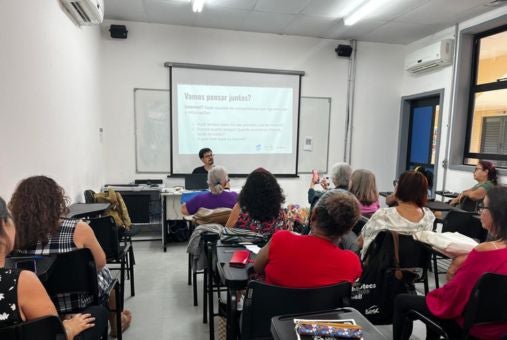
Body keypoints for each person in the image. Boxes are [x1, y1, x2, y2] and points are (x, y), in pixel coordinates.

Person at [9, 176, 131, 338]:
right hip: (81, 300)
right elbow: (100, 262)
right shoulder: (78, 229)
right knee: (106, 274)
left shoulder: (14, 235)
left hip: (35, 304)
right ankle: (117, 321)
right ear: (56, 201)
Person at [392, 186, 507, 340]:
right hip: (501, 330)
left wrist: (439, 290)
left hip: (471, 329)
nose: (480, 211)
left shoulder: (484, 252)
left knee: (402, 301)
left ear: (496, 214)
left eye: (483, 206)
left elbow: (452, 298)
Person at [0, 196, 107, 340]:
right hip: (77, 301)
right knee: (99, 312)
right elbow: (53, 335)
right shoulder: (20, 281)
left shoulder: (23, 241)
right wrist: (68, 329)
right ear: (4, 225)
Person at [254, 190, 362, 288]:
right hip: (323, 310)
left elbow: (257, 267)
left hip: (273, 309)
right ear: (349, 229)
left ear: (314, 214)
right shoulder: (352, 264)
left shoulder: (281, 240)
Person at [358, 171, 435, 259]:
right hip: (412, 265)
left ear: (399, 188)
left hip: (379, 267)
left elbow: (361, 242)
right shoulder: (429, 216)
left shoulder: (384, 215)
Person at [225, 168, 288, 238]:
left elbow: (226, 233)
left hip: (242, 248)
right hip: (272, 248)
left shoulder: (240, 208)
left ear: (248, 189)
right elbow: (284, 237)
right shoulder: (279, 213)